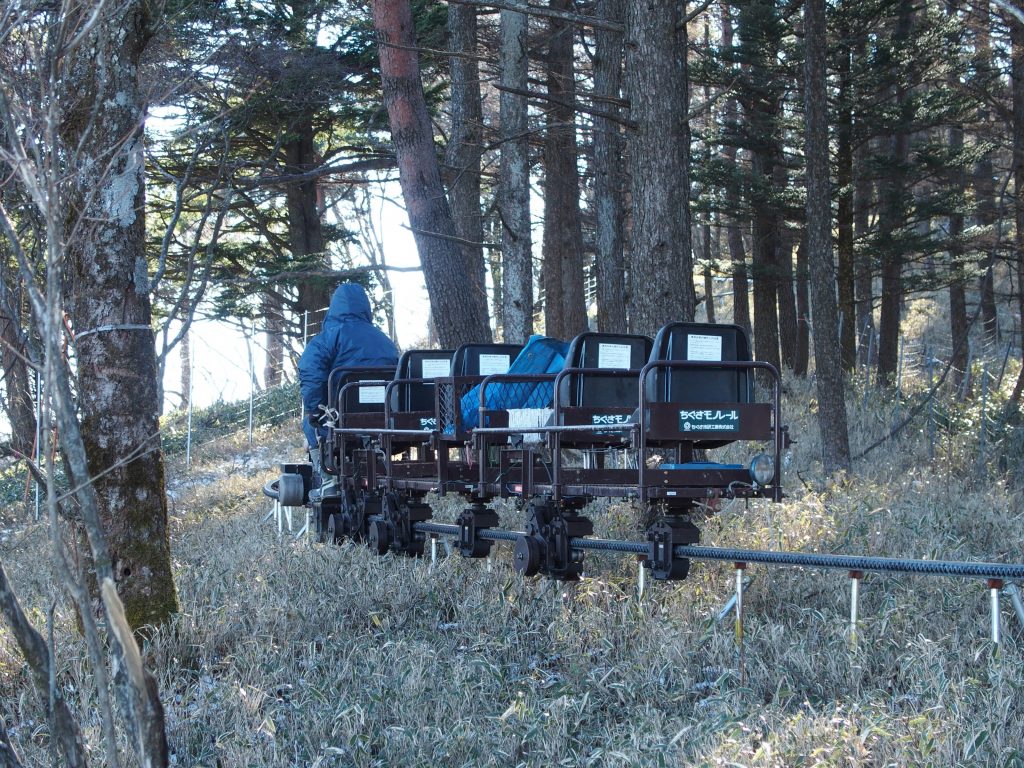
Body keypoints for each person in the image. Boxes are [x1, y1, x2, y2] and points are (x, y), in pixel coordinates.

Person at [298, 283, 399, 453]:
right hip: (385, 417)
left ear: (334, 307)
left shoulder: (326, 339)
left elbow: (311, 376)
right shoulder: (385, 341)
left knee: (310, 425)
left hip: (340, 418)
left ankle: (328, 477)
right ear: (366, 307)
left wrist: (315, 412)